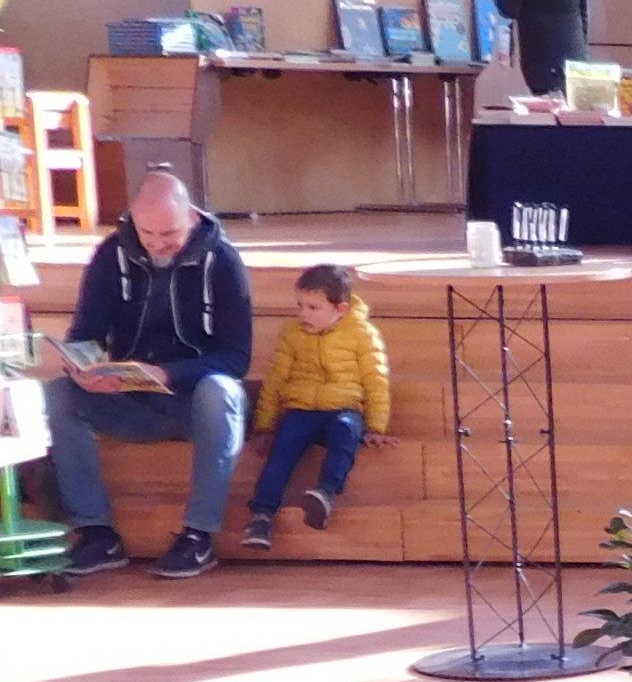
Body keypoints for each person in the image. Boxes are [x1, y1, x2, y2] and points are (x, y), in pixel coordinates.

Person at [49, 167, 253, 580]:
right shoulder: (110, 254)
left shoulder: (223, 261)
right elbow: (84, 334)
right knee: (57, 394)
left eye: (170, 234)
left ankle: (198, 536)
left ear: (192, 218)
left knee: (221, 392)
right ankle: (95, 531)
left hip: (194, 403)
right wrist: (84, 369)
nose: (159, 245)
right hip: (128, 397)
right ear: (131, 220)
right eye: (148, 234)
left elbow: (236, 358)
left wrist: (167, 374)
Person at [242, 262, 391, 552]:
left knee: (346, 433)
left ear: (341, 309)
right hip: (302, 409)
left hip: (343, 407)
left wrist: (376, 426)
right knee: (283, 448)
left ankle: (325, 493)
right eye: (300, 306)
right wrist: (264, 426)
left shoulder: (362, 333)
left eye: (313, 308)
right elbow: (275, 382)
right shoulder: (292, 335)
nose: (303, 314)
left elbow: (376, 380)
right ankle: (262, 515)